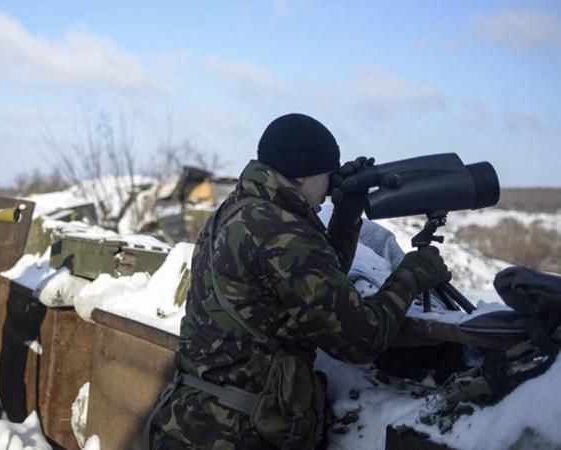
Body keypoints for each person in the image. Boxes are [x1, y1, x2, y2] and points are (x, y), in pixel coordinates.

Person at [148, 113, 452, 449]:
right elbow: (360, 338)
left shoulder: (240, 210)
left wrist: (346, 214)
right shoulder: (279, 231)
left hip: (192, 420)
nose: (330, 183)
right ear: (304, 172)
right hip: (235, 433)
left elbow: (313, 283)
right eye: (328, 174)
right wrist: (410, 276)